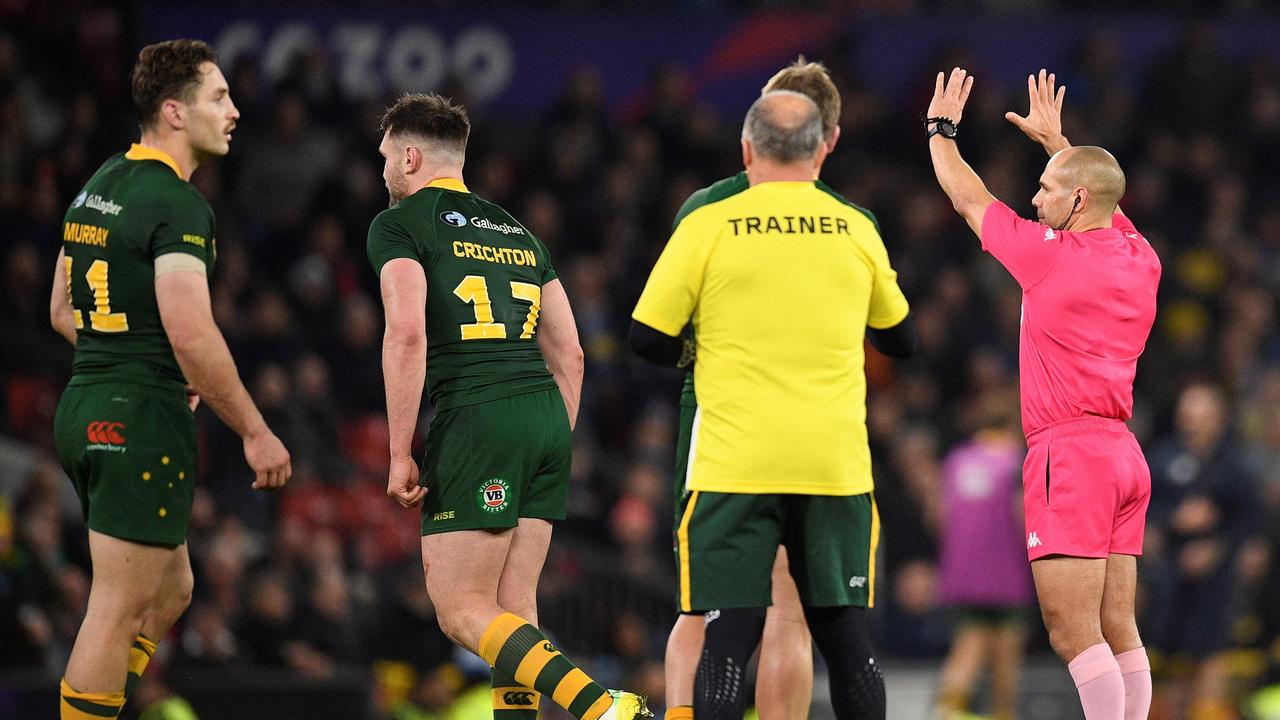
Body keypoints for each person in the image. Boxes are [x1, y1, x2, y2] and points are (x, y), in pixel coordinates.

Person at [631, 90, 916, 720]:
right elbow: (902, 338)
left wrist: (709, 356)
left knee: (725, 635)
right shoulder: (855, 224)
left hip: (735, 459)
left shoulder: (707, 218)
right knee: (844, 642)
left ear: (747, 146)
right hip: (831, 463)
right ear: (822, 148)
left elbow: (646, 336)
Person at [367, 92, 650, 720]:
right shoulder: (515, 231)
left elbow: (407, 333)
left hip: (477, 414)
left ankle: (604, 708)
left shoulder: (400, 224)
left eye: (386, 156)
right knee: (513, 612)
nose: (383, 169)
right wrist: (551, 437)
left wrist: (397, 451)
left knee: (462, 609)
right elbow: (571, 353)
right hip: (544, 417)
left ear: (410, 157)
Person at [49, 39, 292, 720]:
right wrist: (254, 429)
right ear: (174, 112)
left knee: (174, 587)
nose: (235, 110)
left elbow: (62, 311)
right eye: (220, 97)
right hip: (136, 418)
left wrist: (139, 359)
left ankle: (103, 702)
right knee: (117, 608)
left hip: (85, 405)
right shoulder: (178, 206)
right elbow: (191, 334)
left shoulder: (99, 184)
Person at [925, 68, 1161, 720]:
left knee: (1070, 630)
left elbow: (969, 199)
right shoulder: (1142, 256)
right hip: (1123, 457)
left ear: (1077, 201)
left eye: (1046, 189)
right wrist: (1057, 142)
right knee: (1121, 629)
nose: (1032, 199)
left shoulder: (1049, 255)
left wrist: (941, 132)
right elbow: (1105, 196)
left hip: (1071, 455)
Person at [1145, 381, 1261, 719]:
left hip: (1216, 574)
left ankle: (1206, 711)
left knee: (1211, 649)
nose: (1193, 420)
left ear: (1219, 418)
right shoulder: (1163, 457)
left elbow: (1251, 517)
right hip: (1168, 571)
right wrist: (1172, 520)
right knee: (1165, 651)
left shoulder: (1234, 463)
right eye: (1189, 413)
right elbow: (1141, 505)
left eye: (1202, 413)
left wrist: (1219, 546)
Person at [934, 396, 1035, 720]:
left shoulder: (957, 461)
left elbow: (939, 515)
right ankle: (1003, 714)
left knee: (968, 643)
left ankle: (947, 711)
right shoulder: (1015, 463)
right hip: (1006, 576)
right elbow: (1024, 517)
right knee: (1006, 656)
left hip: (962, 575)